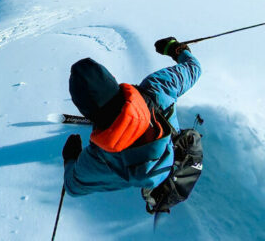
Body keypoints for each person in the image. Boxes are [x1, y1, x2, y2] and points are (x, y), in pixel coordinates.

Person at [62, 36, 201, 196]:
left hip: (145, 177)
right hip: (177, 152)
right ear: (112, 79)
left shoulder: (96, 160)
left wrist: (71, 159)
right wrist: (176, 50)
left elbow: (72, 186)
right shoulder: (157, 87)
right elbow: (193, 68)